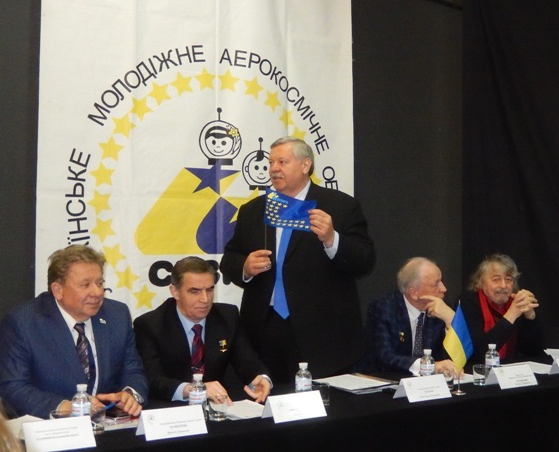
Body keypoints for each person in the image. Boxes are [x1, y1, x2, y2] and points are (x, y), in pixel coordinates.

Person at [220, 136, 375, 383]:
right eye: (271, 163)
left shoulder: (340, 206)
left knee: (323, 405)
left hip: (322, 332)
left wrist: (332, 239)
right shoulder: (253, 210)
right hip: (265, 329)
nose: (273, 169)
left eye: (282, 162)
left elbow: (365, 260)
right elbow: (229, 260)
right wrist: (245, 267)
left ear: (305, 165)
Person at [0, 245, 147, 419]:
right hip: (51, 428)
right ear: (58, 290)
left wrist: (129, 394)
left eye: (100, 283)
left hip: (109, 426)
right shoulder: (24, 323)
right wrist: (65, 407)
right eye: (85, 285)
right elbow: (13, 387)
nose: (97, 292)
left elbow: (133, 371)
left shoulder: (117, 315)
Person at [133, 256, 271, 403]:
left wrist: (260, 378)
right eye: (195, 291)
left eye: (209, 290)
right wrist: (193, 389)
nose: (205, 299)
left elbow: (247, 360)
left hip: (218, 405)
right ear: (175, 292)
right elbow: (153, 379)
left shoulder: (228, 316)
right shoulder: (150, 325)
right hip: (172, 406)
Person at [360, 257, 459, 377]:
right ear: (414, 293)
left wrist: (452, 320)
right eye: (435, 284)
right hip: (383, 379)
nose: (444, 289)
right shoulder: (384, 309)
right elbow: (384, 357)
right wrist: (426, 365)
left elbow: (453, 356)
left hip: (427, 383)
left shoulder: (441, 308)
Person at [459, 253, 544, 363]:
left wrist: (530, 317)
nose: (503, 285)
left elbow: (534, 351)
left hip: (512, 368)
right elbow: (480, 352)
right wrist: (511, 314)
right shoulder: (468, 302)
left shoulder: (516, 302)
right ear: (480, 282)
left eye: (508, 279)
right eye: (496, 279)